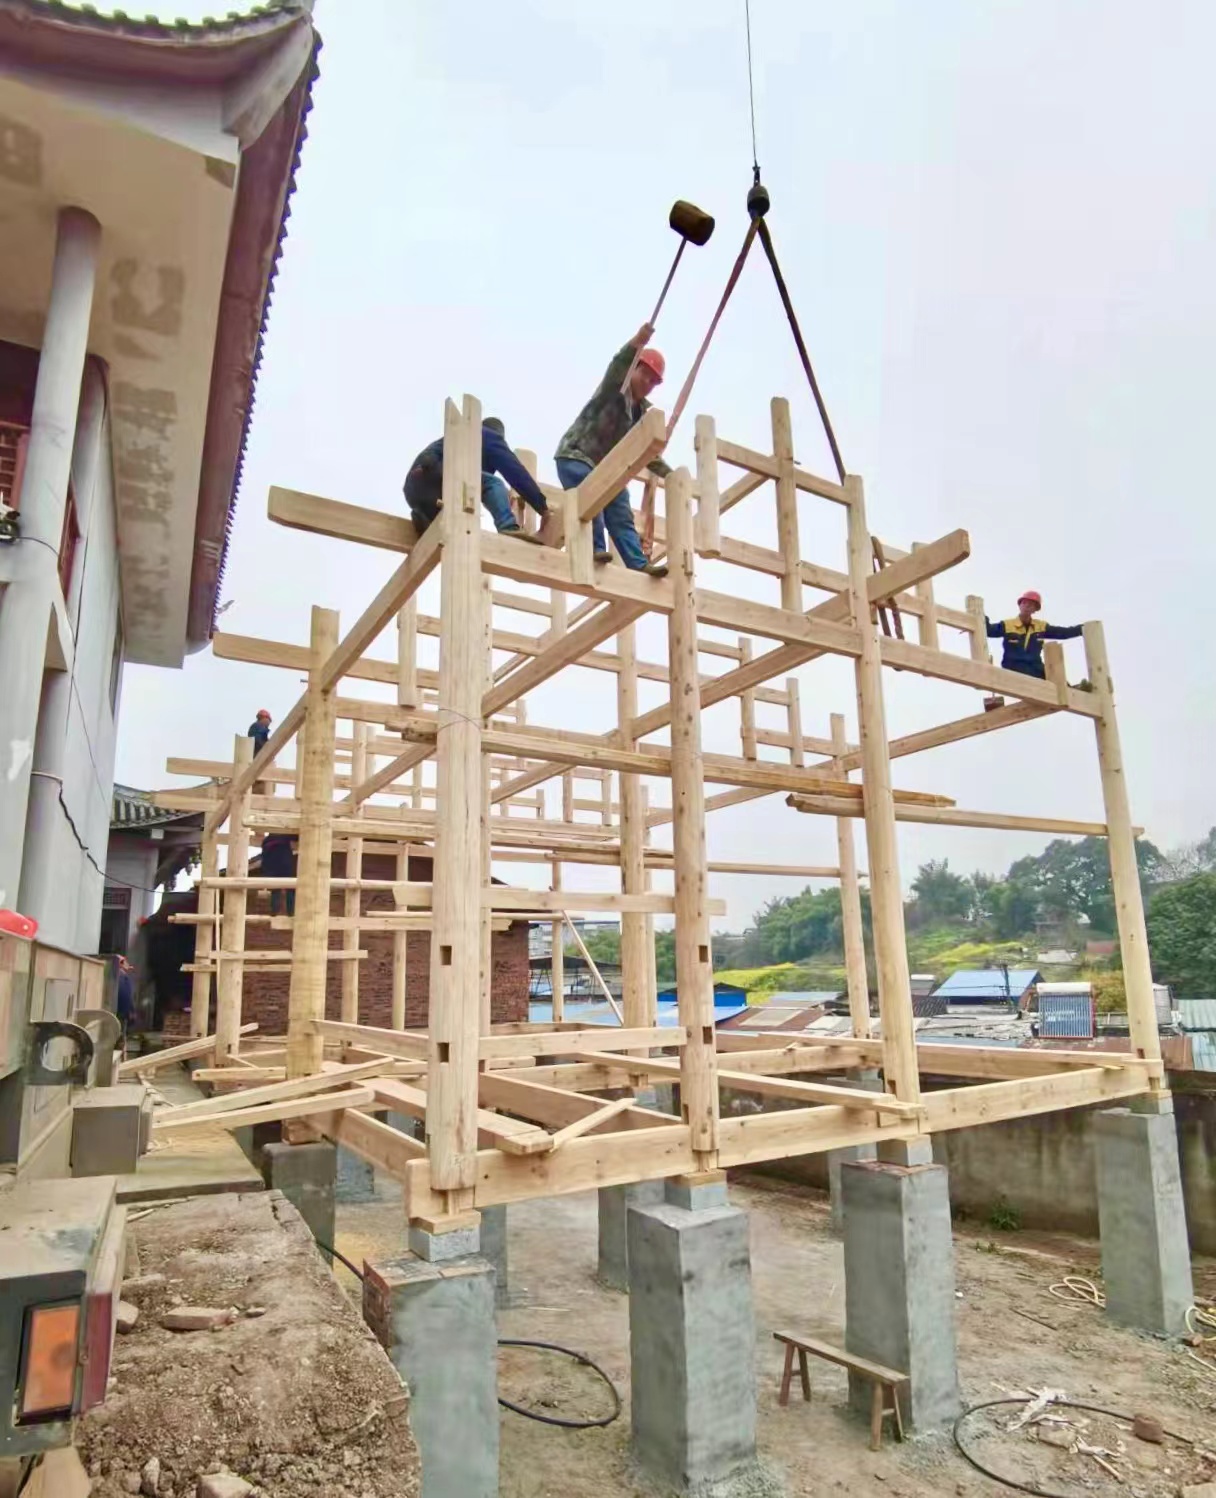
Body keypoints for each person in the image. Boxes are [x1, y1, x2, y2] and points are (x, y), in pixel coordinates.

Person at [554, 321, 672, 576]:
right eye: (645, 375)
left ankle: (638, 563)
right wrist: (637, 342)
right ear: (635, 370)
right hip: (575, 456)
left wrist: (670, 476)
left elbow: (646, 452)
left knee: (620, 505)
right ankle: (595, 548)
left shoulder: (641, 414)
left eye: (653, 381)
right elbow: (618, 365)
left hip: (605, 468)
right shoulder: (616, 388)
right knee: (592, 492)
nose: (648, 383)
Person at [404, 417, 558, 543]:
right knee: (494, 483)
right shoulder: (488, 436)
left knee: (454, 516)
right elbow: (515, 472)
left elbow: (431, 453)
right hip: (438, 475)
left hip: (416, 488)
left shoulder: (459, 436)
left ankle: (425, 518)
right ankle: (508, 527)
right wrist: (542, 507)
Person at [986, 591, 1083, 679]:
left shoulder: (1040, 626)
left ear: (1035, 609)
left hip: (1035, 668)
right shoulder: (1007, 625)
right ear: (1020, 605)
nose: (1027, 606)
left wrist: (1082, 628)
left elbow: (1063, 633)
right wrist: (981, 616)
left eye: (1031, 605)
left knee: (1060, 682)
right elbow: (989, 630)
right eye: (1024, 603)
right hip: (1014, 667)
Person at [260, 832, 296, 916]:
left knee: (276, 891)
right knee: (289, 890)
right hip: (284, 868)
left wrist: (266, 873)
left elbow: (264, 859)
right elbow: (296, 836)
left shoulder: (266, 841)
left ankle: (275, 913)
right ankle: (290, 913)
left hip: (273, 871)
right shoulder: (283, 836)